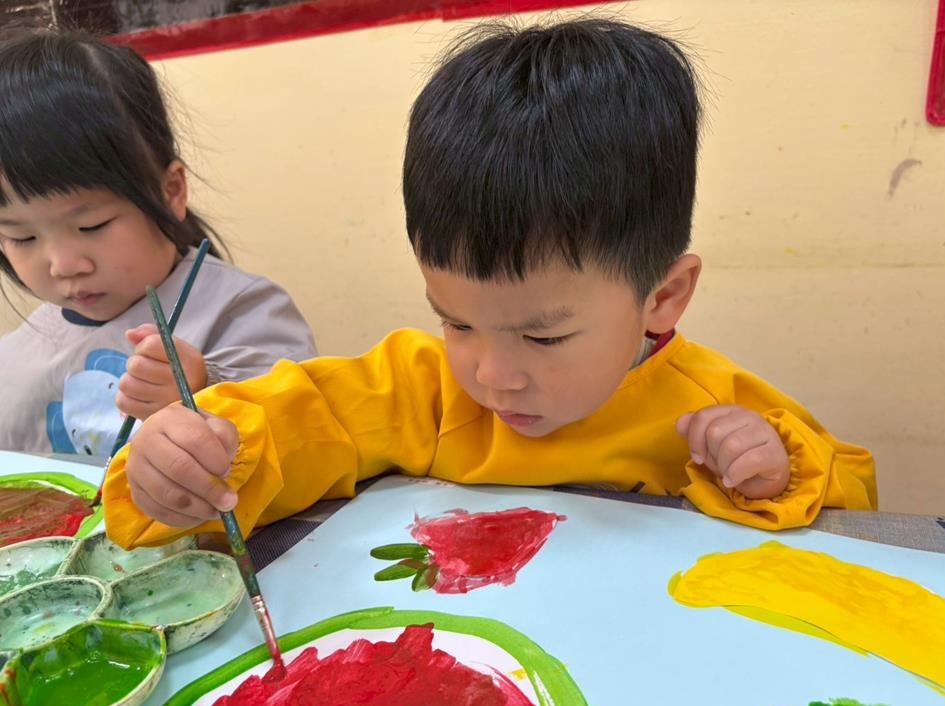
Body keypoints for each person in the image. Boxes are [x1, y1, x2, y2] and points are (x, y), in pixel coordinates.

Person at [104, 18, 876, 548]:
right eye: (457, 321)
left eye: (543, 334)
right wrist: (202, 459)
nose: (492, 375)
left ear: (662, 298)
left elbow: (855, 500)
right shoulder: (423, 391)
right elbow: (304, 419)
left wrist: (773, 472)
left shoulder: (707, 406)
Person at [0, 27, 317, 457]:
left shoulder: (243, 311)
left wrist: (204, 389)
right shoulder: (16, 357)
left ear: (171, 192)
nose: (64, 264)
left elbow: (306, 431)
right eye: (21, 236)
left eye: (92, 225)